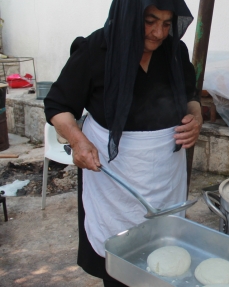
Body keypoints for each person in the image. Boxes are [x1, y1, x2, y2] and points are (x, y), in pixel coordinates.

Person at [43, 0, 202, 286]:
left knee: (166, 250)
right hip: (112, 171)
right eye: (150, 21)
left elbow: (190, 95)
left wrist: (196, 116)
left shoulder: (174, 51)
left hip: (165, 168)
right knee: (118, 257)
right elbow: (58, 105)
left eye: (167, 24)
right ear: (129, 15)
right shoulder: (96, 49)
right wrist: (78, 140)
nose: (158, 33)